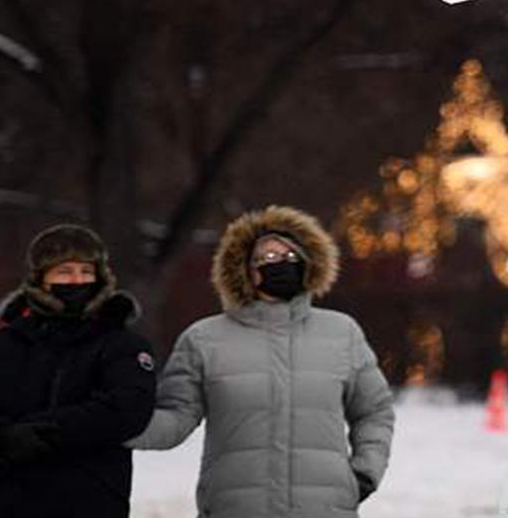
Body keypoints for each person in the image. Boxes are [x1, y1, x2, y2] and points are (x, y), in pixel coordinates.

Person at [131, 204, 394, 517]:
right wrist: (112, 423)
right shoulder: (204, 339)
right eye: (268, 257)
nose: (281, 264)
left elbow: (374, 411)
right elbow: (175, 418)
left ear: (309, 264)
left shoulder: (342, 333)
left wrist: (365, 472)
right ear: (244, 269)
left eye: (291, 257)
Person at [0, 224, 157, 518]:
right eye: (64, 271)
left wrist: (44, 431)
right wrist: (0, 435)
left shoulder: (122, 344)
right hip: (0, 503)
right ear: (40, 279)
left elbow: (128, 409)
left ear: (101, 277)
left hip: (89, 504)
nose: (77, 280)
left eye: (86, 271)